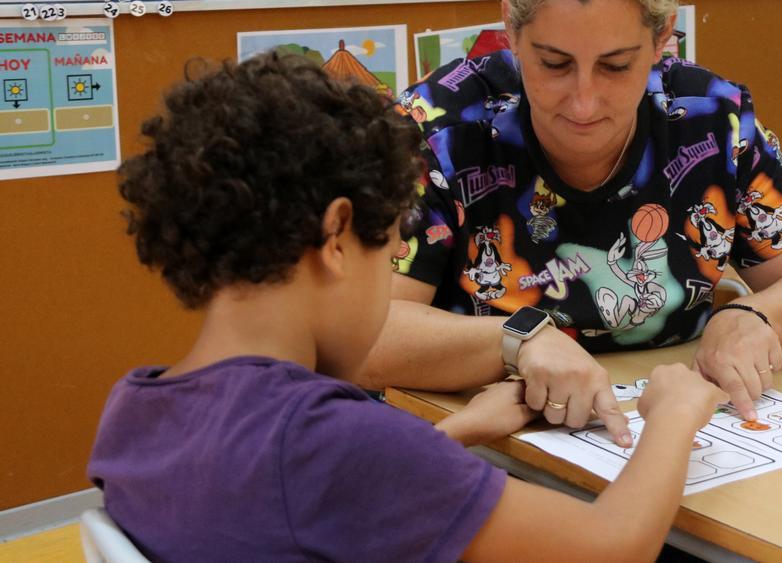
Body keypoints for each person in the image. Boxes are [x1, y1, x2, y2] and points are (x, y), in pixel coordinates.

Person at [88, 52, 727, 561]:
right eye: (388, 252)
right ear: (337, 238)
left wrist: (461, 432)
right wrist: (673, 415)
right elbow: (613, 548)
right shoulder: (331, 444)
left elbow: (309, 497)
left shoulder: (135, 407)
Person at [360, 0, 782, 444]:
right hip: (487, 448)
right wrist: (519, 340)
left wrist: (754, 319)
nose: (584, 101)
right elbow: (363, 337)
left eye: (617, 66)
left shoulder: (713, 123)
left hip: (672, 438)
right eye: (554, 63)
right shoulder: (439, 132)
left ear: (662, 39)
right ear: (512, 32)